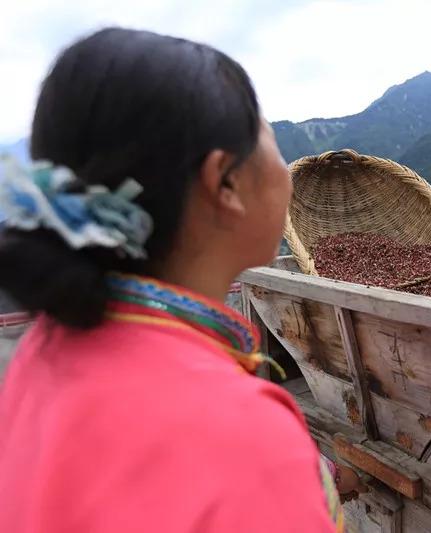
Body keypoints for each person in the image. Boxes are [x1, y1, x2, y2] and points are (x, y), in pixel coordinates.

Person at [0, 28, 363, 532]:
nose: (287, 172)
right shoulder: (246, 438)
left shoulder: (42, 350)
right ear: (226, 183)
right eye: (273, 144)